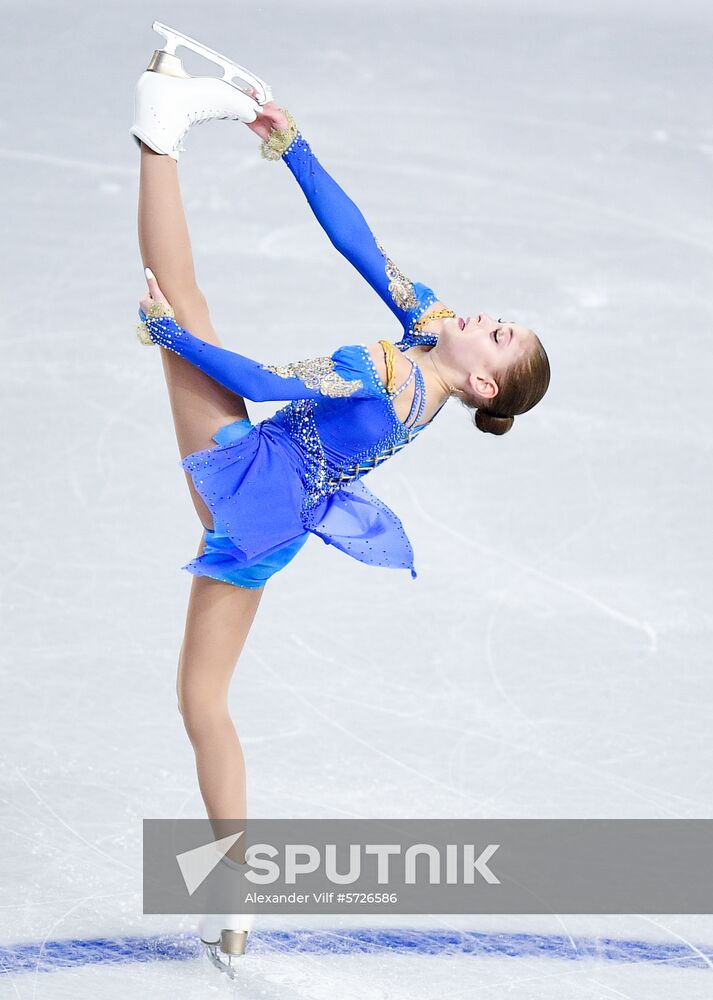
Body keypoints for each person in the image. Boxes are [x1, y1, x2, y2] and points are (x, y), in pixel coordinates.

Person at [131, 20, 550, 974]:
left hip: (247, 487)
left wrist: (166, 336)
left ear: (483, 384)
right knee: (204, 702)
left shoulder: (384, 373)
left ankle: (155, 132)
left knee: (182, 299)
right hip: (276, 524)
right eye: (499, 321)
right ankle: (229, 900)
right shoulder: (429, 343)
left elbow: (266, 380)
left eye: (499, 337)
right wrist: (291, 146)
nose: (487, 319)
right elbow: (358, 241)